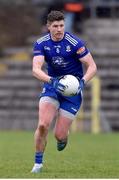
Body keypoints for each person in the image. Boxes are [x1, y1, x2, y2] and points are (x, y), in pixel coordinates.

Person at [31, 10, 97, 173]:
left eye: (62, 25)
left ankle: (62, 138)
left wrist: (82, 81)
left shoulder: (75, 43)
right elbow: (36, 69)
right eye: (55, 26)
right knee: (42, 125)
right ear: (48, 27)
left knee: (59, 135)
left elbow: (92, 66)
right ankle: (38, 165)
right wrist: (51, 81)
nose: (59, 29)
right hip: (52, 87)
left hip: (73, 93)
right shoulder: (41, 43)